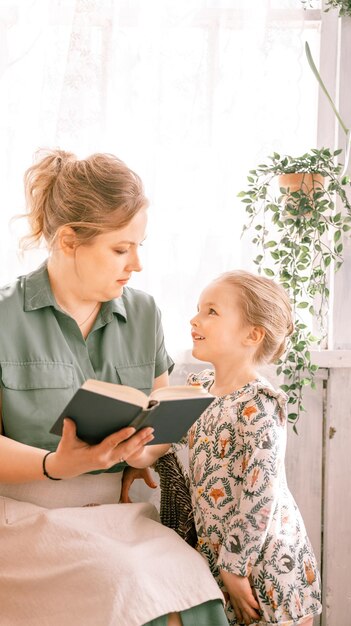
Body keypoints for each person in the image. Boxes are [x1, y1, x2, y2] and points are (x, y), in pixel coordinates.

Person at [0, 149, 228, 626]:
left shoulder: (143, 312)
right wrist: (56, 464)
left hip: (119, 514)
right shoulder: (3, 317)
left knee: (196, 594)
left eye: (140, 245)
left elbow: (159, 409)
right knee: (129, 586)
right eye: (121, 249)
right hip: (23, 520)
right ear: (68, 240)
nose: (137, 263)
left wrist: (144, 451)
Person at [121, 270, 322, 626]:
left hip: (270, 562)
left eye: (211, 312)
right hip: (220, 557)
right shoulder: (196, 390)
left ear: (252, 334)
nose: (194, 319)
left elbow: (261, 495)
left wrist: (234, 566)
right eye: (199, 309)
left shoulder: (260, 404)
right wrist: (132, 448)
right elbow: (154, 447)